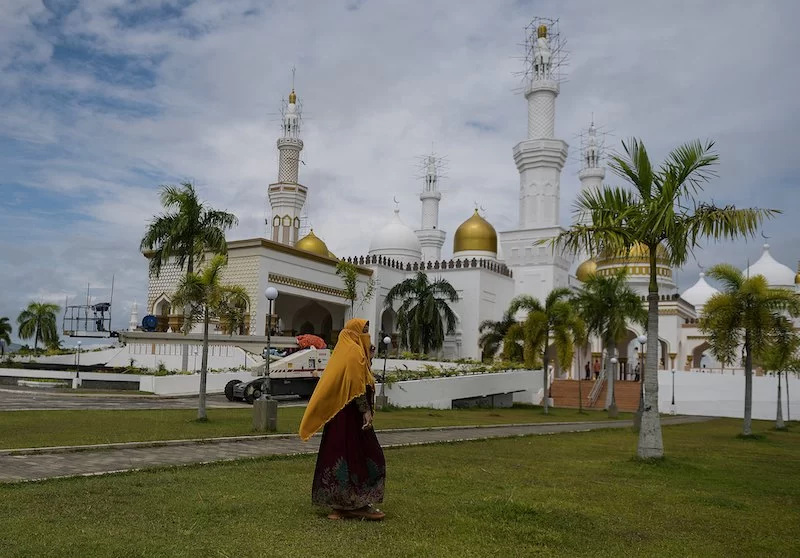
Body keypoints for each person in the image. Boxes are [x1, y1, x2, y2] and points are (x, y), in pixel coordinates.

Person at [299, 318, 386, 521]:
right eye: (363, 332)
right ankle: (358, 504)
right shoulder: (354, 352)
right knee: (365, 455)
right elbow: (357, 385)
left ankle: (340, 506)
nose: (367, 336)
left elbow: (358, 376)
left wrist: (369, 357)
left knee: (339, 455)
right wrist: (365, 410)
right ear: (354, 334)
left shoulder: (345, 352)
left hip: (339, 417)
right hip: (351, 417)